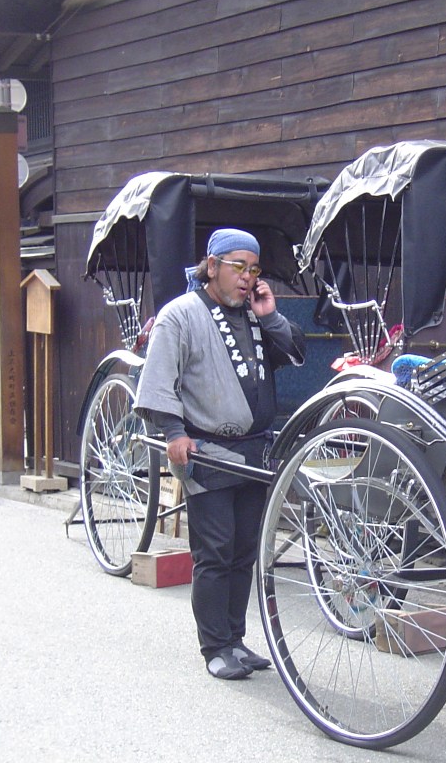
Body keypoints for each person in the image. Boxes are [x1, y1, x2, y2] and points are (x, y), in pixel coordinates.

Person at [135, 228, 305, 680]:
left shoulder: (254, 314)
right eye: (238, 267)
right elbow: (157, 381)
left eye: (254, 270)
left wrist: (270, 317)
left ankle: (235, 639)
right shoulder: (181, 315)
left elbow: (294, 351)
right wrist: (173, 432)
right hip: (206, 452)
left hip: (254, 450)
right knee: (215, 550)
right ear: (212, 267)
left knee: (244, 551)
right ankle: (215, 646)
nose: (247, 278)